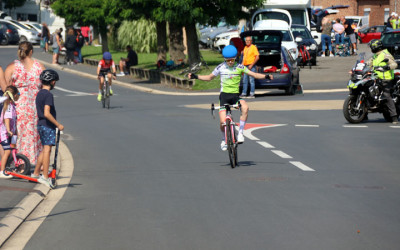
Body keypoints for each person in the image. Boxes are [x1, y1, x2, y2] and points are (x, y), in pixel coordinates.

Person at [187, 45, 273, 150]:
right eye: (228, 60)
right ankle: (224, 139)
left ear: (235, 58)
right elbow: (209, 77)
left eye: (232, 60)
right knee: (223, 122)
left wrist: (266, 76)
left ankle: (240, 133)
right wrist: (196, 76)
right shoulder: (220, 67)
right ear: (225, 59)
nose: (230, 62)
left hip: (235, 96)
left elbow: (254, 74)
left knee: (245, 107)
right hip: (224, 96)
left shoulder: (240, 67)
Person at [4, 41, 45, 165]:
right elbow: (45, 87)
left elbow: (6, 88)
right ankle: (36, 163)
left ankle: (21, 163)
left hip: (19, 107)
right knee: (34, 135)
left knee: (19, 135)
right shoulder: (39, 67)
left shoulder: (12, 67)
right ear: (31, 52)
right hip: (35, 107)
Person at [32, 70, 64, 188]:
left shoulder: (39, 93)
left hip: (40, 124)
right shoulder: (48, 95)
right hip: (47, 125)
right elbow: (46, 113)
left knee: (44, 149)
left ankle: (36, 173)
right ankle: (45, 176)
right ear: (53, 82)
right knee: (47, 150)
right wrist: (58, 124)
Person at [367, 40, 399, 124]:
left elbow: (394, 64)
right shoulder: (375, 56)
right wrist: (361, 67)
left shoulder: (385, 54)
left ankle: (394, 117)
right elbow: (368, 63)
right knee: (367, 90)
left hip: (386, 79)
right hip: (376, 79)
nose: (371, 48)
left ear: (375, 47)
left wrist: (386, 67)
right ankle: (363, 114)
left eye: (371, 47)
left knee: (387, 96)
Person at [0, 86, 19, 178]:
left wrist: (15, 131)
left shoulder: (12, 105)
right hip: (4, 132)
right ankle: (2, 171)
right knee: (7, 151)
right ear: (14, 95)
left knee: (13, 148)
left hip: (11, 132)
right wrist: (8, 130)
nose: (19, 96)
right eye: (18, 94)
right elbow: (6, 119)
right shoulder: (9, 107)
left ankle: (10, 166)